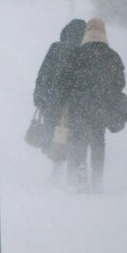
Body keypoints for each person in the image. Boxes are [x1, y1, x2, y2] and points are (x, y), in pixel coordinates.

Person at [61, 18, 126, 192]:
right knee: (98, 141)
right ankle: (97, 179)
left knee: (79, 139)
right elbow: (120, 83)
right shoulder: (112, 56)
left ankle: (81, 168)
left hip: (78, 105)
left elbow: (66, 81)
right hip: (101, 106)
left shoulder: (77, 54)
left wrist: (68, 100)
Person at [32, 19, 86, 170]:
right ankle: (75, 169)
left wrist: (39, 96)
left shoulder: (56, 48)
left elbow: (44, 74)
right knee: (75, 136)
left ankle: (57, 168)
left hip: (54, 100)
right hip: (77, 103)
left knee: (57, 137)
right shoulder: (85, 51)